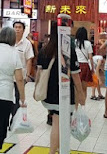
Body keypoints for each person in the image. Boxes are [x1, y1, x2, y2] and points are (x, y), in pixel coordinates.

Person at [37, 21, 85, 154]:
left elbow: (39, 72)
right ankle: (54, 151)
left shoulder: (44, 50)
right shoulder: (68, 51)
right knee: (59, 124)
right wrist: (80, 94)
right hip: (63, 93)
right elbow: (75, 76)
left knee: (57, 122)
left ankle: (56, 149)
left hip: (48, 93)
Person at [12, 21, 34, 118]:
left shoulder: (27, 44)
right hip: (8, 75)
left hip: (20, 76)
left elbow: (29, 60)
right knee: (8, 97)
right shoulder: (9, 42)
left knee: (18, 97)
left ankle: (15, 118)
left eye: (19, 27)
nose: (17, 29)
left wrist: (28, 75)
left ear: (23, 30)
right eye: (15, 27)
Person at [75, 27, 94, 104]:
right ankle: (82, 107)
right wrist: (92, 68)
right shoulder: (88, 43)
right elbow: (90, 57)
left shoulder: (74, 42)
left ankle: (75, 107)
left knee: (76, 88)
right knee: (84, 89)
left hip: (76, 65)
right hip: (85, 66)